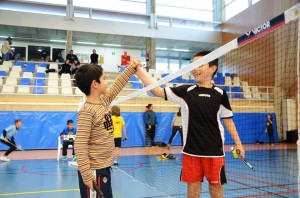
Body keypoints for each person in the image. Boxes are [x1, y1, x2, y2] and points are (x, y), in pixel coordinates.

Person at [134, 51, 245, 198]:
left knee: (216, 190)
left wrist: (239, 143)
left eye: (200, 64)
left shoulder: (220, 94)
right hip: (191, 152)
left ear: (212, 69)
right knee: (192, 191)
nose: (195, 68)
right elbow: (157, 91)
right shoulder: (185, 91)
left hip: (214, 152)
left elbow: (228, 120)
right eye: (193, 64)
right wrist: (139, 71)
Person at [74, 62, 138, 198]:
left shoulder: (103, 102)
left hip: (104, 167)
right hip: (94, 171)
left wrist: (130, 69)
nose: (106, 81)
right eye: (103, 78)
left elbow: (116, 87)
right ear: (95, 84)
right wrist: (86, 175)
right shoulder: (87, 112)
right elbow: (80, 145)